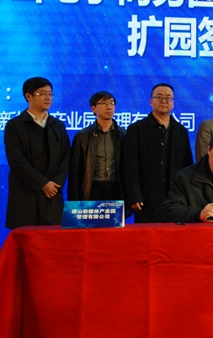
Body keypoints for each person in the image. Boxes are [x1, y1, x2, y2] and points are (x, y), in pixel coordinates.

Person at [4, 77, 70, 228]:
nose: (48, 98)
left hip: (53, 194)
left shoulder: (58, 126)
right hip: (25, 194)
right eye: (42, 94)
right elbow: (16, 160)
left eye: (50, 94)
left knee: (53, 239)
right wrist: (42, 184)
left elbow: (66, 157)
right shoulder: (15, 125)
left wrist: (54, 185)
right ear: (29, 96)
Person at [124, 83, 193, 222]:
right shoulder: (136, 129)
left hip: (175, 198)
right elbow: (129, 166)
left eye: (168, 98)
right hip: (146, 198)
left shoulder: (181, 131)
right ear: (151, 101)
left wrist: (188, 195)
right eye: (159, 97)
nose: (164, 101)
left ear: (173, 103)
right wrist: (134, 195)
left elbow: (187, 165)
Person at [68, 91, 126, 201]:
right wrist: (74, 201)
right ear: (93, 108)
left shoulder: (124, 135)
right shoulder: (82, 136)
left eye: (112, 103)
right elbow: (75, 173)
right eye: (104, 103)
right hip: (92, 189)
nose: (109, 107)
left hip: (117, 189)